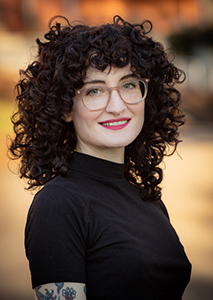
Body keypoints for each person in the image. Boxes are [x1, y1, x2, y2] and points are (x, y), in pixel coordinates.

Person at [9, 15, 191, 300]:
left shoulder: (148, 199)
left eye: (129, 84)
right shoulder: (59, 205)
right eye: (94, 91)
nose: (117, 106)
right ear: (65, 108)